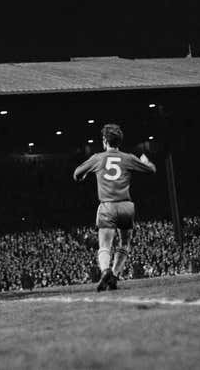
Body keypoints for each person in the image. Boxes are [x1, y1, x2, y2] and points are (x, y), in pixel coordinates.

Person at [73, 123, 156, 291]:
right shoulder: (128, 158)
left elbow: (76, 174)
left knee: (105, 245)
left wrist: (83, 176)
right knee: (124, 244)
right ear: (119, 141)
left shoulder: (98, 158)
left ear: (105, 140)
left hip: (107, 206)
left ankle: (105, 271)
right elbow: (151, 170)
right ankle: (115, 276)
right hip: (126, 206)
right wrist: (145, 161)